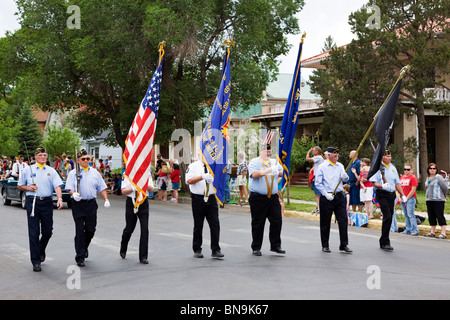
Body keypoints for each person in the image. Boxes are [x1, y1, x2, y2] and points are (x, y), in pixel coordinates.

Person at [18, 147, 64, 272]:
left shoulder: (51, 171)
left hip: (47, 202)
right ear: (35, 157)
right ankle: (36, 261)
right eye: (41, 155)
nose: (43, 157)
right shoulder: (28, 170)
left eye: (45, 155)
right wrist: (28, 188)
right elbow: (19, 185)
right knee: (33, 233)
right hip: (33, 202)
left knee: (48, 231)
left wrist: (59, 198)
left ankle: (41, 249)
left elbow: (58, 186)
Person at [66, 149, 110, 267]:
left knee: (91, 230)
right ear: (78, 161)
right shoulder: (73, 173)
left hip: (91, 204)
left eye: (88, 159)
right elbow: (69, 187)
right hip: (78, 204)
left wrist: (106, 199)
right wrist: (73, 193)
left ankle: (84, 246)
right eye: (83, 159)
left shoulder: (95, 173)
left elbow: (102, 187)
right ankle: (80, 256)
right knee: (80, 230)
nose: (86, 161)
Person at [248, 142, 285, 256]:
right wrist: (269, 171)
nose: (268, 153)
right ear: (260, 151)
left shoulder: (274, 162)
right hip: (258, 197)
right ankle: (256, 247)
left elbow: (282, 173)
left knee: (277, 220)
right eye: (266, 151)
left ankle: (275, 245)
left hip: (272, 197)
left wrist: (276, 172)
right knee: (258, 222)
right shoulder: (255, 161)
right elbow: (255, 174)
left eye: (269, 151)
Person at [185, 152, 224, 259]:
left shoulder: (214, 166)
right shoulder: (193, 166)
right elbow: (188, 180)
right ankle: (197, 249)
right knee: (198, 224)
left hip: (211, 198)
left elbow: (220, 179)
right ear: (199, 155)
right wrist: (202, 177)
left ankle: (215, 249)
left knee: (215, 224)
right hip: (198, 198)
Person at [314, 146, 352, 253]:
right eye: (335, 155)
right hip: (327, 197)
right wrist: (326, 194)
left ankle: (344, 244)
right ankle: (325, 245)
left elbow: (345, 178)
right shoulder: (322, 166)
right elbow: (318, 183)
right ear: (329, 155)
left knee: (343, 220)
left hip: (339, 196)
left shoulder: (340, 165)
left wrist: (346, 177)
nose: (337, 157)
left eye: (337, 155)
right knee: (325, 222)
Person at [369, 150, 408, 251]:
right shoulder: (378, 168)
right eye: (387, 156)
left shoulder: (393, 167)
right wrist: (382, 185)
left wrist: (403, 195)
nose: (389, 158)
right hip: (382, 194)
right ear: (382, 158)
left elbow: (397, 183)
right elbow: (374, 183)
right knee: (387, 216)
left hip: (392, 195)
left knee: (390, 218)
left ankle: (384, 240)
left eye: (390, 156)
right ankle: (385, 242)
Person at [120, 175, 154, 264]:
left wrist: (143, 185)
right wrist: (133, 188)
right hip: (131, 201)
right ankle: (123, 247)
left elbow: (151, 189)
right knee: (129, 228)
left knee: (144, 229)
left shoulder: (146, 173)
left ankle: (143, 257)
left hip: (143, 201)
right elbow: (123, 190)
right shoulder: (127, 174)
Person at [424, 163, 448, 239]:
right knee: (431, 216)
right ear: (428, 170)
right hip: (429, 200)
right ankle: (432, 232)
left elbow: (445, 188)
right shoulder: (427, 178)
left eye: (434, 168)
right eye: (430, 168)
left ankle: (443, 233)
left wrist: (443, 196)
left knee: (439, 215)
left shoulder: (439, 177)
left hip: (438, 200)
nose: (432, 170)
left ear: (436, 170)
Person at [400, 163, 419, 235]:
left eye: (408, 169)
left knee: (410, 214)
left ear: (411, 170)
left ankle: (414, 230)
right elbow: (399, 188)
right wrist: (399, 197)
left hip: (410, 198)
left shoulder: (413, 178)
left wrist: (406, 198)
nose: (406, 171)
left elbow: (413, 190)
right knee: (406, 214)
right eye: (405, 169)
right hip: (402, 197)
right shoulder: (402, 177)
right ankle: (407, 229)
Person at [306, 146, 325, 215]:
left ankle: (320, 208)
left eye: (313, 150)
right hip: (316, 177)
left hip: (318, 178)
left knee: (318, 194)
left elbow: (307, 159)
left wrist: (308, 151)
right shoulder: (319, 158)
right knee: (316, 194)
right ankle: (318, 207)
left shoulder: (318, 157)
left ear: (317, 151)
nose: (312, 151)